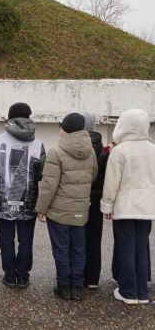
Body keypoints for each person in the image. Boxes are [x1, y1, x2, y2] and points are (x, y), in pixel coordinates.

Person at [35, 113, 97, 301]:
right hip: (80, 211)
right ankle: (77, 287)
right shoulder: (91, 151)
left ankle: (63, 287)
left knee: (61, 249)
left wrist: (41, 208)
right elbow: (92, 176)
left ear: (66, 129)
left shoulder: (56, 152)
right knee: (78, 249)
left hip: (59, 212)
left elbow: (49, 186)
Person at [0, 102, 46, 289]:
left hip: (2, 199)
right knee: (26, 239)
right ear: (29, 117)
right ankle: (23, 276)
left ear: (10, 118)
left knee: (6, 238)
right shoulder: (38, 144)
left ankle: (10, 276)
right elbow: (41, 173)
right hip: (28, 201)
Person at [100, 108, 155, 305]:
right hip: (147, 207)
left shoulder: (120, 150)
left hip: (125, 207)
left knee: (125, 247)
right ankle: (141, 291)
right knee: (142, 246)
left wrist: (107, 206)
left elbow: (111, 182)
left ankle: (128, 291)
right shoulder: (153, 148)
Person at [81, 112, 109, 289]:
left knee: (76, 239)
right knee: (94, 238)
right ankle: (92, 278)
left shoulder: (76, 145)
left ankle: (77, 275)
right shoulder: (104, 150)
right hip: (97, 198)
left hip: (78, 196)